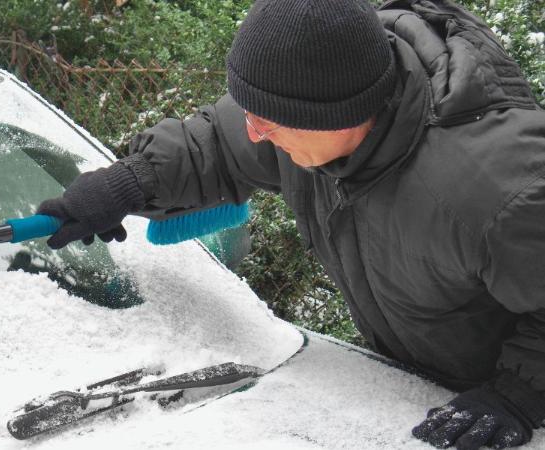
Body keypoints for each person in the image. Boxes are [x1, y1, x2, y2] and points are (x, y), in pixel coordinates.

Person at [36, 0, 545, 447]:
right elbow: (218, 142)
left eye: (269, 121)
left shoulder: (496, 190)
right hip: (412, 386)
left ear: (340, 116)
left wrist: (521, 393)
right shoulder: (311, 106)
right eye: (254, 112)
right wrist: (128, 184)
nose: (255, 133)